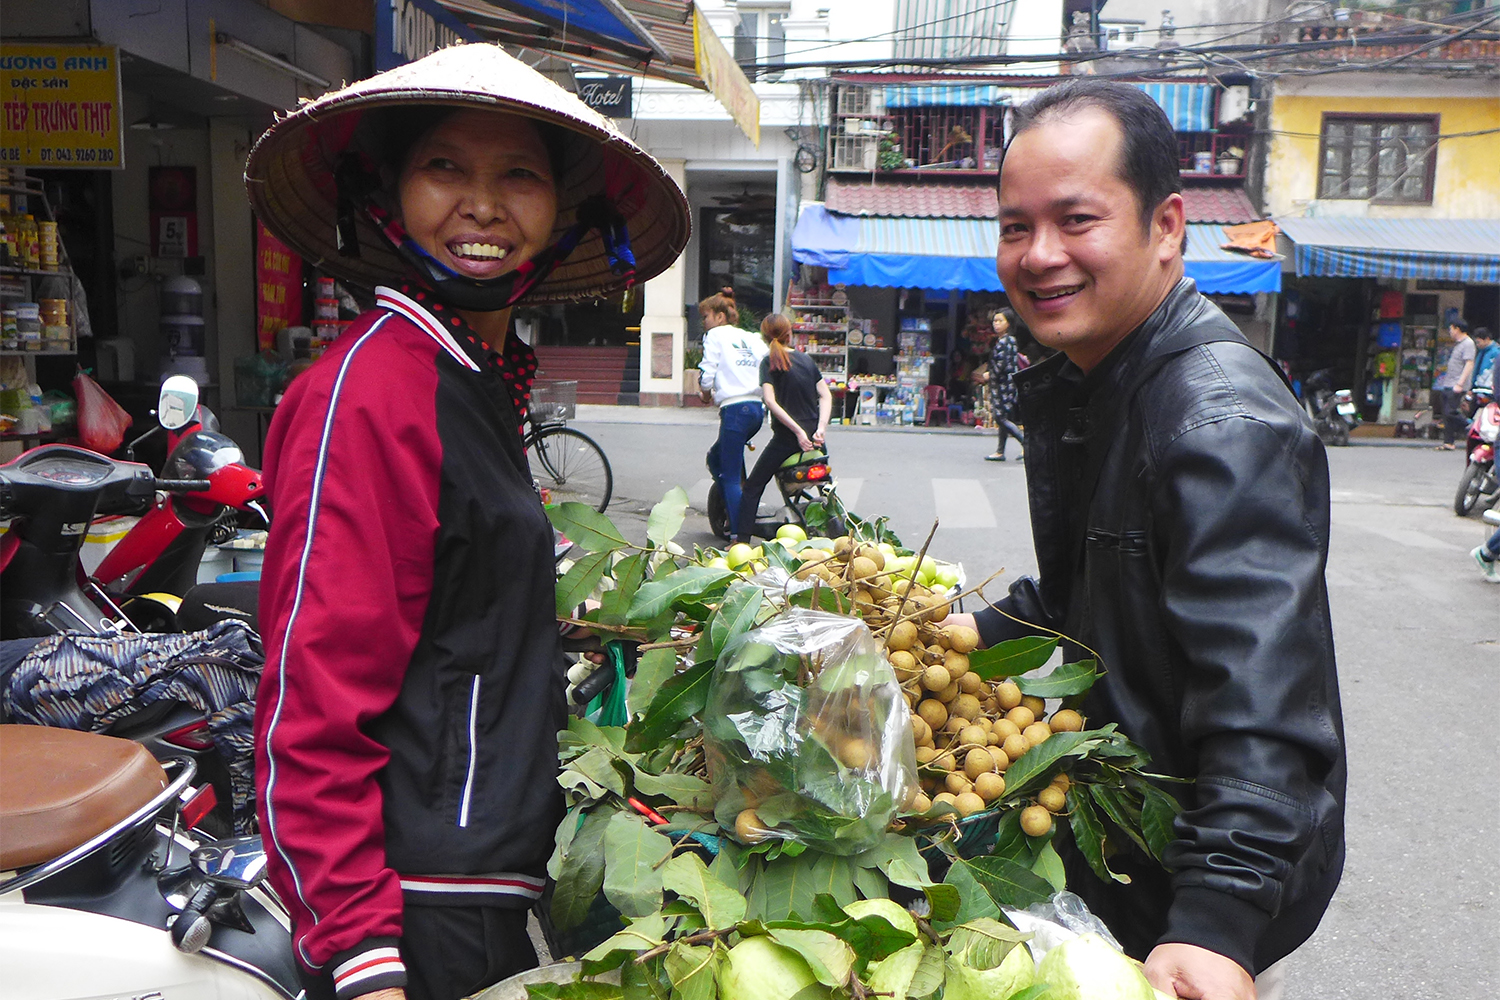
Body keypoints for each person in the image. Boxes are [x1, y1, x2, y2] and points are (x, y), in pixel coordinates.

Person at [244, 44, 689, 1000]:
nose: (481, 203)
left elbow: (456, 606)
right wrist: (365, 957)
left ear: (561, 216)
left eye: (518, 175)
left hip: (482, 880)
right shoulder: (370, 393)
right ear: (388, 193)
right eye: (444, 167)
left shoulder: (470, 381)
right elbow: (312, 708)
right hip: (416, 910)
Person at [942, 79, 1345, 1000]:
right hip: (1132, 837)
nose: (1039, 255)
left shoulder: (1215, 422)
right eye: (1015, 227)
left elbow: (1264, 700)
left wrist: (1217, 923)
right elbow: (1088, 602)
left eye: (1076, 220)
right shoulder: (1107, 382)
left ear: (1167, 227)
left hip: (1187, 873)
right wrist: (920, 638)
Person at [735, 314, 832, 543]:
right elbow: (825, 395)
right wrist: (820, 429)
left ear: (764, 337)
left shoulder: (769, 362)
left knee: (752, 487)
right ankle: (837, 534)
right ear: (790, 334)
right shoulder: (806, 360)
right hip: (816, 438)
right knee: (827, 489)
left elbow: (770, 401)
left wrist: (797, 432)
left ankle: (740, 541)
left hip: (787, 439)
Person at [698, 288, 768, 537]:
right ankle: (740, 502)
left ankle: (740, 534)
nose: (703, 323)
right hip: (756, 410)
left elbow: (707, 372)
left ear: (719, 316)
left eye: (705, 317)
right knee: (726, 462)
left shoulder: (715, 335)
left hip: (735, 411)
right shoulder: (752, 338)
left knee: (726, 473)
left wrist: (705, 392)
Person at [980, 307, 1027, 461]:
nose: (996, 324)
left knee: (1000, 418)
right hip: (1005, 383)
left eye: (1000, 321)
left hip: (1003, 384)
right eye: (995, 321)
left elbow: (1003, 364)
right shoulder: (1006, 340)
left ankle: (1027, 445)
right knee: (1003, 417)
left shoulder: (1006, 341)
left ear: (1008, 323)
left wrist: (989, 375)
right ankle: (1000, 451)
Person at [1433, 318, 1475, 449]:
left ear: (1457, 328)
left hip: (1456, 384)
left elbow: (1469, 363)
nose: (1450, 332)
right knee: (1446, 414)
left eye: (1451, 329)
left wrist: (1460, 384)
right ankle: (1448, 442)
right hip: (1448, 383)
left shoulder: (1468, 343)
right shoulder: (1459, 343)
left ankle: (1471, 426)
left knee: (1451, 411)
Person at [1469, 326, 1496, 402]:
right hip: (1478, 389)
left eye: (1478, 342)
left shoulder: (1496, 353)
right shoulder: (1481, 352)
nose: (1477, 345)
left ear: (1487, 339)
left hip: (1488, 391)